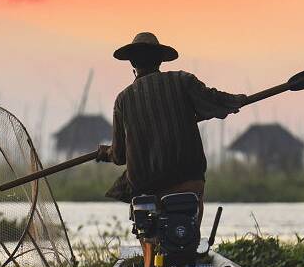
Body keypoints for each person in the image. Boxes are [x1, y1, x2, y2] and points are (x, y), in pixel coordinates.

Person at [98, 32, 249, 203]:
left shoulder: (123, 100)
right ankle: (193, 229)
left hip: (147, 187)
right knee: (193, 209)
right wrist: (239, 100)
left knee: (137, 206)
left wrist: (106, 153)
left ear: (132, 63)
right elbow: (215, 101)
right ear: (160, 60)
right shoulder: (182, 80)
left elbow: (119, 156)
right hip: (190, 179)